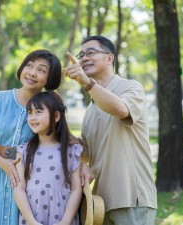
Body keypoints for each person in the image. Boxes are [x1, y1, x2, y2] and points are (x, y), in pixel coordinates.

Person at [63, 35, 157, 225]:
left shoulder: (130, 87)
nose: (84, 58)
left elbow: (121, 110)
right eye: (81, 55)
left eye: (91, 52)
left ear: (110, 57)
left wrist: (87, 83)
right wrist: (58, 126)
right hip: (100, 201)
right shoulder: (91, 108)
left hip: (131, 197)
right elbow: (87, 153)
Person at [0, 49, 62, 225]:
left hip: (30, 182)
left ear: (50, 79)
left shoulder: (52, 108)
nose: (32, 73)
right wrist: (3, 161)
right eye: (29, 65)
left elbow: (60, 142)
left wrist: (82, 165)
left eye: (41, 70)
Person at [14, 91, 83, 225]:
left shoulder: (72, 151)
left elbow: (76, 189)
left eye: (38, 112)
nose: (32, 117)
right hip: (32, 218)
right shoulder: (23, 151)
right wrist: (31, 221)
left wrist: (66, 221)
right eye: (30, 113)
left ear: (56, 116)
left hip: (63, 217)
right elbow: (19, 189)